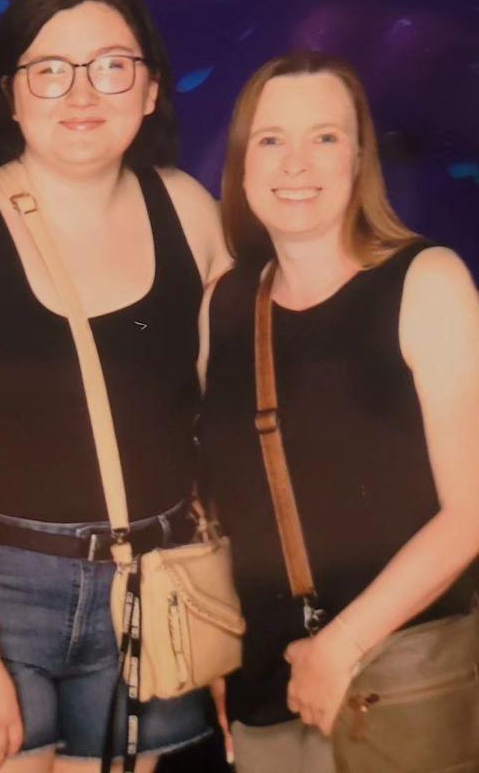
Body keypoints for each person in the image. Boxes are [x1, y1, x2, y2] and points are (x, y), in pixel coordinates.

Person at [0, 0, 231, 773]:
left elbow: (226, 418)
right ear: (10, 95)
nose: (81, 93)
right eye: (49, 70)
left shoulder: (189, 211)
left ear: (150, 89)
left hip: (153, 588)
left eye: (110, 65)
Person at [198, 53, 479, 772]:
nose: (296, 163)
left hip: (403, 683)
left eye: (324, 137)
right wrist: (219, 659)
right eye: (270, 139)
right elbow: (227, 507)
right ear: (241, 162)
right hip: (267, 691)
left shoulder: (429, 282)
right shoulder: (225, 303)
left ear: (360, 159)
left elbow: (472, 510)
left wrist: (341, 646)